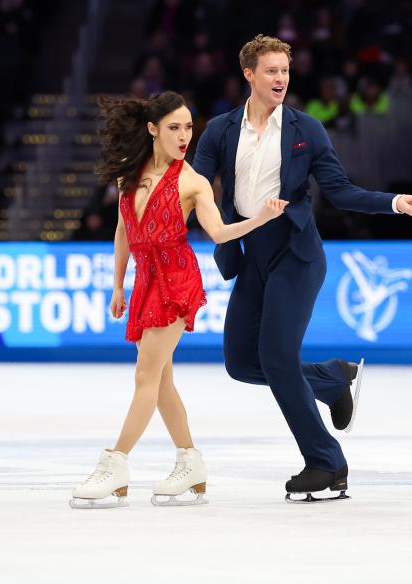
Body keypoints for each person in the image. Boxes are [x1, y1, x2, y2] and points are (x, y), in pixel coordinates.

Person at [193, 35, 412, 503]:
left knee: (277, 358)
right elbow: (195, 186)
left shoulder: (306, 129)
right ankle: (331, 378)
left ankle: (327, 462)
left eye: (285, 70)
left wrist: (394, 203)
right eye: (271, 71)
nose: (280, 78)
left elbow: (339, 191)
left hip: (295, 255)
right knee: (241, 362)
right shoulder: (221, 130)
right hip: (249, 254)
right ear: (249, 75)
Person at [70, 91, 287, 509]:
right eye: (174, 127)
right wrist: (118, 285)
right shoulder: (127, 175)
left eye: (189, 127)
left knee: (145, 374)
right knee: (162, 380)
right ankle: (191, 463)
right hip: (144, 280)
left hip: (175, 281)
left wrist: (260, 219)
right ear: (153, 129)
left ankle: (116, 464)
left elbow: (220, 233)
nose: (185, 135)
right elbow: (123, 231)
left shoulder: (192, 181)